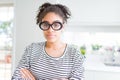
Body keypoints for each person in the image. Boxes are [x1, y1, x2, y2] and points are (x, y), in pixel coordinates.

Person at [12, 2, 85, 80]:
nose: (50, 30)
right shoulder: (31, 49)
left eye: (56, 25)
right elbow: (16, 77)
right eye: (46, 24)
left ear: (63, 26)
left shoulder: (75, 54)